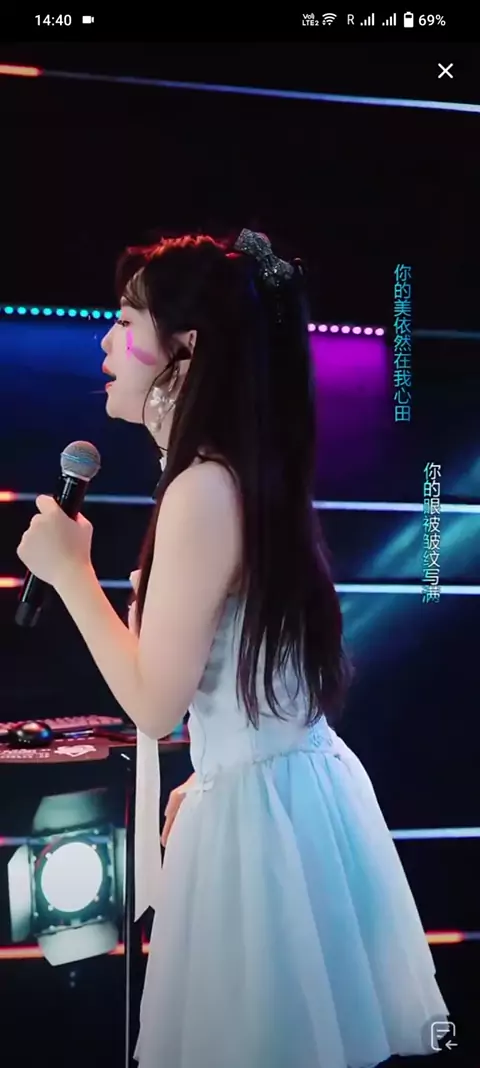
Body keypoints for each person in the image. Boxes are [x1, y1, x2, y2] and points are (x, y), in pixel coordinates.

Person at [17, 229, 449, 1068]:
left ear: (184, 349)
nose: (106, 342)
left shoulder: (204, 487)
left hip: (262, 829)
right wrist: (215, 773)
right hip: (279, 802)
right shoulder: (231, 475)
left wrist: (71, 574)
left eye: (124, 321)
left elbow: (154, 703)